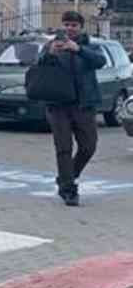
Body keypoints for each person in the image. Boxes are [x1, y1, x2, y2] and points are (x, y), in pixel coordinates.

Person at [39, 12, 106, 207]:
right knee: (63, 148)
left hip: (83, 105)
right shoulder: (51, 45)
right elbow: (39, 64)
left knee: (88, 146)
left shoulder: (90, 46)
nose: (70, 28)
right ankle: (68, 189)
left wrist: (78, 49)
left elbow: (100, 61)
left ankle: (67, 176)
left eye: (74, 25)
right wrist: (50, 53)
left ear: (81, 28)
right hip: (58, 106)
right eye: (66, 24)